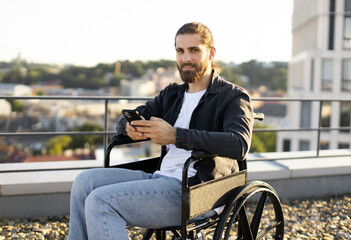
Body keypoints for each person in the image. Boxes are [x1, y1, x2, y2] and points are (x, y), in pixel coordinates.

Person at [68, 22, 253, 240]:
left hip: (196, 191)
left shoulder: (232, 96)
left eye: (194, 50)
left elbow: (239, 144)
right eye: (180, 51)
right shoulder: (171, 95)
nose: (185, 58)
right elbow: (129, 117)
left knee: (100, 201)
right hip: (159, 178)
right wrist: (129, 127)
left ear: (211, 53)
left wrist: (176, 136)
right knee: (84, 182)